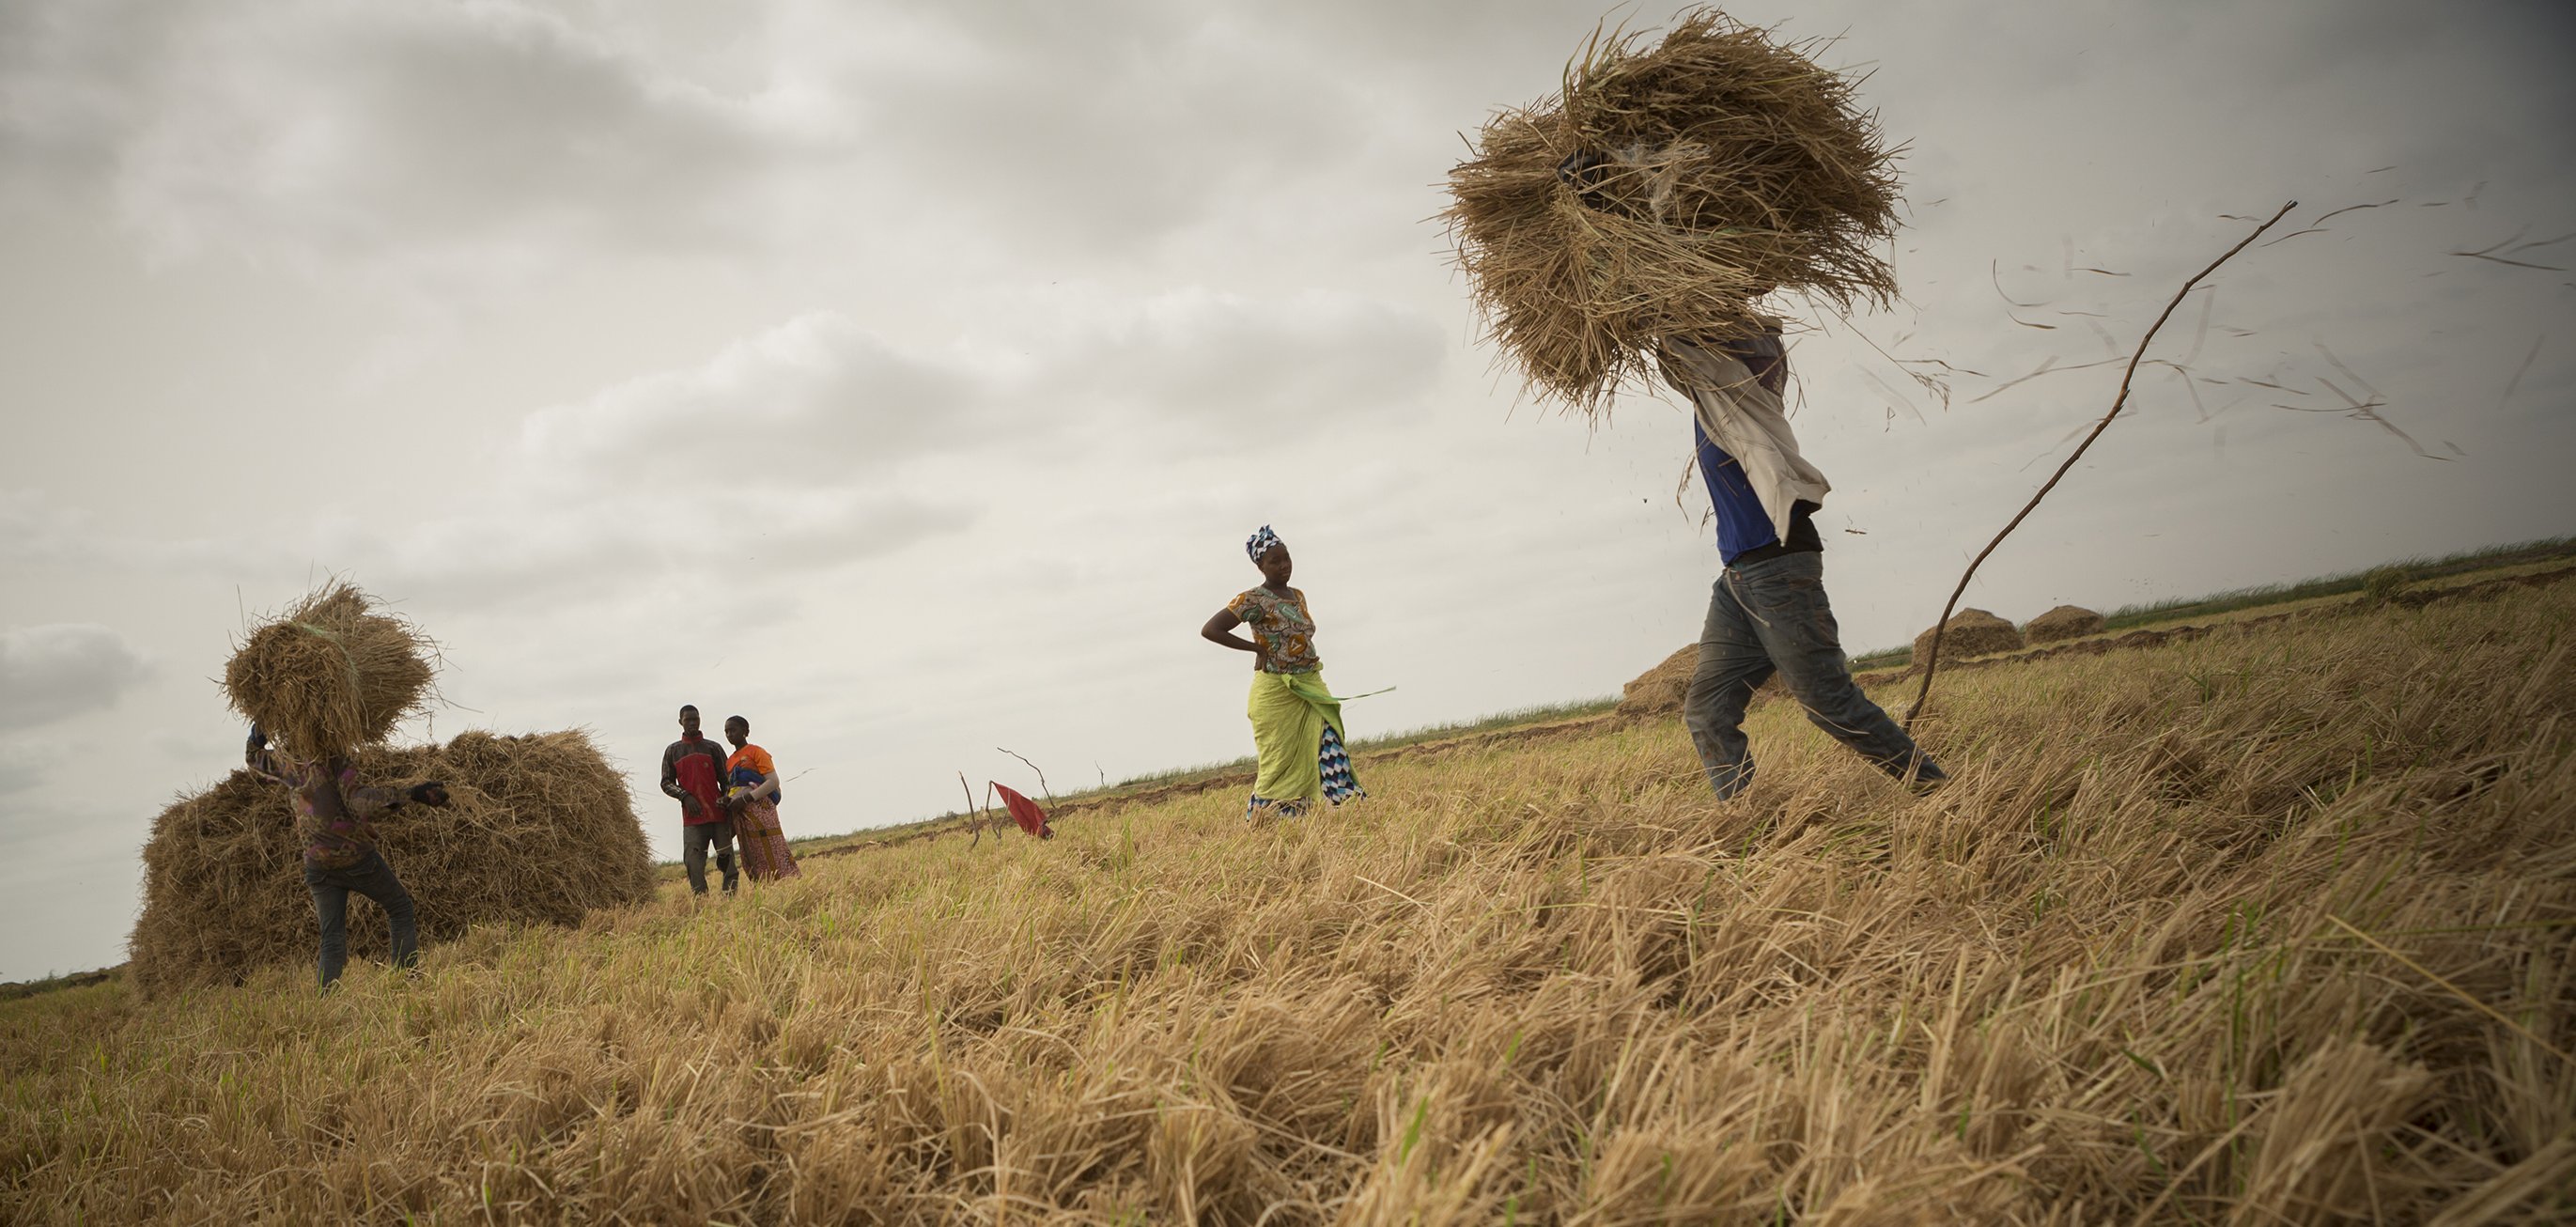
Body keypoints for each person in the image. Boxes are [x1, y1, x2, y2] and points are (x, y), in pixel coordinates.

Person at [1655, 327, 1948, 800]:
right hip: (1736, 577)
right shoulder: (1713, 403)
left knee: (1829, 703)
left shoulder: (1746, 391)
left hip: (1777, 570)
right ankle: (1744, 818)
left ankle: (1934, 789)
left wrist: (1668, 312)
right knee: (1707, 710)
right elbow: (1676, 362)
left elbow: (1686, 346)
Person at [243, 725, 451, 988]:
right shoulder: (336, 759)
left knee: (332, 938)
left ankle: (326, 1001)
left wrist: (256, 739)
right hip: (354, 859)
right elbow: (361, 804)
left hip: (318, 865)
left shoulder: (292, 762)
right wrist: (412, 794)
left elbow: (254, 759)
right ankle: (406, 981)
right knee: (399, 907)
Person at [1200, 525, 1367, 819]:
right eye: (1275, 561)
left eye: (1286, 558)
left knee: (1330, 742)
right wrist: (1257, 650)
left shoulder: (1298, 595)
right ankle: (1269, 819)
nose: (1284, 565)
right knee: (1280, 761)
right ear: (1260, 566)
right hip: (1276, 693)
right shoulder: (1252, 599)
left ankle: (1344, 809)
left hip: (1310, 685)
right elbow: (1211, 629)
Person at [660, 704, 737, 894]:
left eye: (696, 719)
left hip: (719, 816)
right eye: (688, 720)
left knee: (727, 860)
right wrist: (684, 796)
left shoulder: (713, 748)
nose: (693, 723)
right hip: (693, 818)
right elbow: (666, 782)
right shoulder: (673, 751)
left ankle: (731, 899)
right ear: (681, 722)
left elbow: (728, 781)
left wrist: (725, 797)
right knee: (694, 864)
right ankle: (701, 902)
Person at [721, 715, 802, 882]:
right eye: (726, 731)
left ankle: (789, 885)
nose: (729, 734)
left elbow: (773, 781)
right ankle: (763, 890)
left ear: (746, 731)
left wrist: (746, 799)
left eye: (733, 730)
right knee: (751, 853)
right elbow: (733, 788)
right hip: (741, 813)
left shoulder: (757, 752)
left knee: (774, 848)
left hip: (761, 810)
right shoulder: (730, 761)